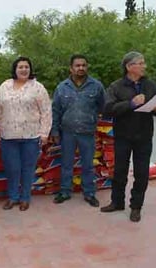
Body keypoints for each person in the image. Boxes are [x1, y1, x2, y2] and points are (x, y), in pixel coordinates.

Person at [100, 51, 156, 222]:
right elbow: (108, 109)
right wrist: (131, 104)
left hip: (144, 135)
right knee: (119, 170)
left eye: (144, 63)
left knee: (141, 173)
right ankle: (117, 202)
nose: (144, 66)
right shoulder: (116, 86)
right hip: (123, 135)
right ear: (129, 66)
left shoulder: (151, 85)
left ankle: (136, 206)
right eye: (140, 63)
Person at [0, 56, 52, 211]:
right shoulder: (5, 86)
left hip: (31, 136)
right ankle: (12, 197)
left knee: (27, 168)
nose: (24, 69)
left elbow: (46, 112)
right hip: (8, 136)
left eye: (26, 67)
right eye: (20, 67)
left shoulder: (37, 87)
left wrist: (44, 133)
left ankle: (25, 198)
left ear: (30, 69)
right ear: (15, 69)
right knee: (12, 168)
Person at [50, 54, 105, 207]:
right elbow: (55, 111)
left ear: (87, 67)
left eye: (83, 65)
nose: (81, 68)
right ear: (71, 68)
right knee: (66, 164)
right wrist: (54, 132)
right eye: (77, 65)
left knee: (88, 164)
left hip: (87, 132)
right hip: (67, 132)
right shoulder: (62, 87)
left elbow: (102, 106)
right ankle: (65, 191)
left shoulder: (96, 86)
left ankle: (89, 193)